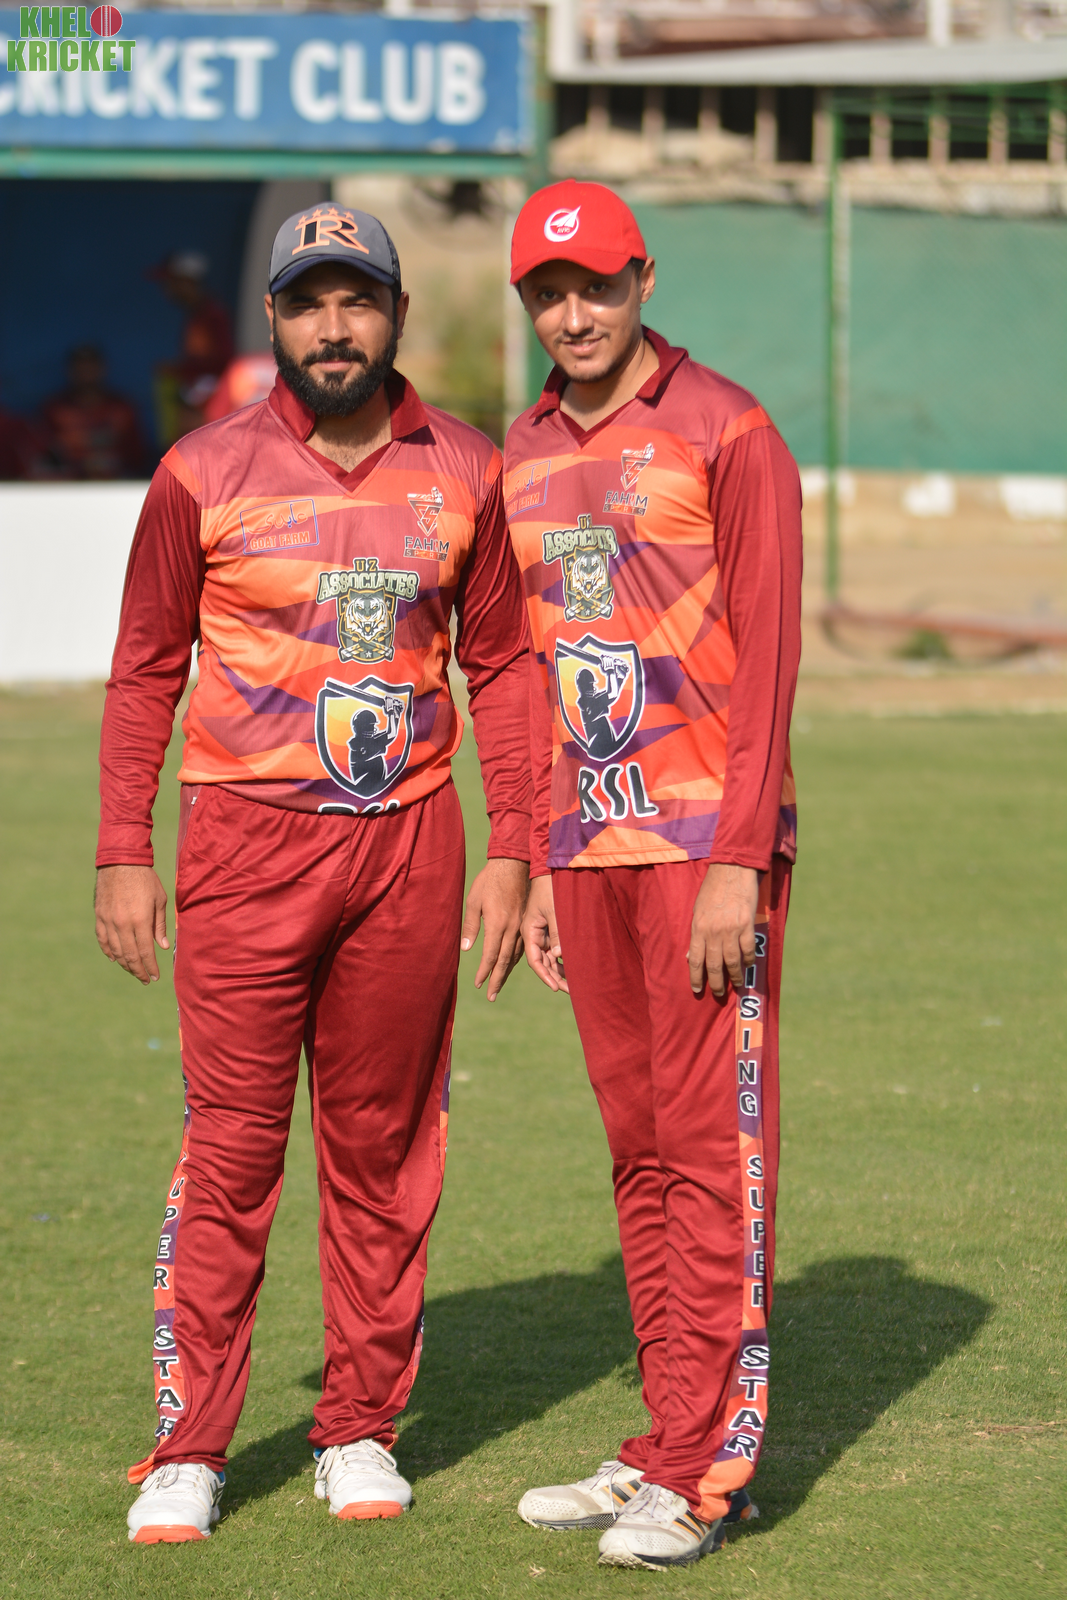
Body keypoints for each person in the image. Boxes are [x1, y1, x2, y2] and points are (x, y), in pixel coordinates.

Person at [96, 204, 532, 1545]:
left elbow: (504, 666)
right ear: (273, 319)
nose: (332, 328)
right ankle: (189, 1446)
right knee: (230, 1148)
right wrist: (123, 849)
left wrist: (514, 846)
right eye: (307, 303)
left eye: (356, 300)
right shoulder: (199, 470)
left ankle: (358, 1427)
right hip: (241, 842)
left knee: (381, 1152)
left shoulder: (468, 468)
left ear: (395, 313)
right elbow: (145, 668)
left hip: (407, 841)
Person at [504, 180, 802, 1571]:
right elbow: (529, 670)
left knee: (709, 1152)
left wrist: (739, 858)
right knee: (636, 1151)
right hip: (590, 850)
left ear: (642, 281)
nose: (573, 315)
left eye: (596, 287)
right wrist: (533, 856)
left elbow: (771, 655)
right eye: (547, 294)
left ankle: (708, 1469)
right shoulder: (521, 451)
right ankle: (662, 1436)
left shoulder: (726, 428)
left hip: (701, 850)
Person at [150, 252, 236, 447]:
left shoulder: (213, 314)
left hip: (209, 410)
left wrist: (180, 370)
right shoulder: (197, 314)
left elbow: (223, 363)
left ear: (187, 282)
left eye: (172, 282)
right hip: (197, 402)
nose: (167, 289)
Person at [40, 344, 145, 480]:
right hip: (69, 484)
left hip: (116, 483)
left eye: (91, 366)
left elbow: (136, 457)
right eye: (81, 366)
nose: (86, 372)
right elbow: (44, 456)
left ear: (102, 369)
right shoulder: (56, 409)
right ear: (70, 370)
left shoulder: (121, 408)